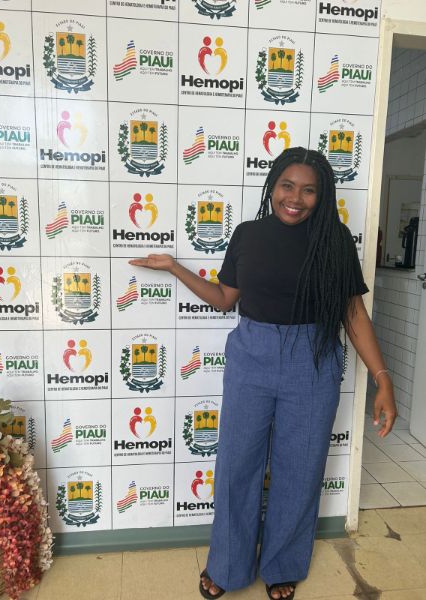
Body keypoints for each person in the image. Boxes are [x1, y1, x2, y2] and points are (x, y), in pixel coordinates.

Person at [129, 147, 397, 600]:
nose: (296, 198)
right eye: (287, 186)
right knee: (237, 466)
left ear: (322, 195)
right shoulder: (247, 235)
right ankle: (227, 565)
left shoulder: (334, 240)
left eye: (309, 190)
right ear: (272, 186)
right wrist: (175, 268)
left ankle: (282, 565)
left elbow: (352, 312)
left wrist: (382, 377)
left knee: (300, 469)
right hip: (251, 357)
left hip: (312, 361)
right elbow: (224, 299)